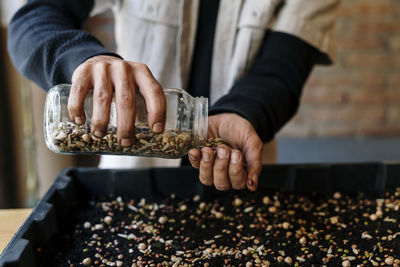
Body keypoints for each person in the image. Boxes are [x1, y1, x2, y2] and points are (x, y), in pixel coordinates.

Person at [8, 0, 339, 191]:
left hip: (237, 167)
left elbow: (283, 66)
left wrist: (243, 112)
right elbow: (34, 19)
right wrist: (82, 58)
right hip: (131, 176)